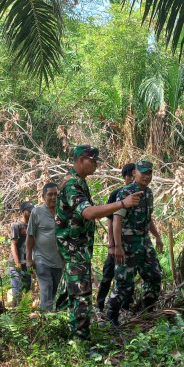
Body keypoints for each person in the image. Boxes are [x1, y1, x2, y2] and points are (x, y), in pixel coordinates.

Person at [56, 145, 142, 340]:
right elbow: (88, 212)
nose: (96, 165)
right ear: (80, 160)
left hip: (77, 249)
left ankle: (61, 335)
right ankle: (81, 342)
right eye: (92, 161)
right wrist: (122, 204)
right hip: (74, 249)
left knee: (68, 293)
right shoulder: (71, 184)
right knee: (81, 296)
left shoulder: (80, 182)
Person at [105, 160, 164, 327]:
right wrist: (116, 246)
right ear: (134, 174)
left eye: (149, 173)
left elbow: (148, 218)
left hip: (144, 241)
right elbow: (116, 220)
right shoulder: (126, 193)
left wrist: (157, 237)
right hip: (127, 243)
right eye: (143, 173)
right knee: (124, 282)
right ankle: (111, 318)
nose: (146, 176)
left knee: (154, 275)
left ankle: (148, 311)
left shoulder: (149, 193)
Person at [96, 163, 137, 311]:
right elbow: (111, 221)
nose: (132, 179)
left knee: (128, 278)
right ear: (125, 177)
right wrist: (112, 246)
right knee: (108, 274)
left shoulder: (140, 195)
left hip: (132, 246)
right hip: (117, 245)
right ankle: (100, 305)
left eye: (134, 176)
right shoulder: (117, 195)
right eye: (129, 176)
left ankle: (124, 307)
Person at [27, 182, 63, 311]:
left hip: (59, 261)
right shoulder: (37, 212)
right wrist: (29, 258)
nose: (53, 197)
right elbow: (30, 236)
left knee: (52, 293)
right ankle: (45, 322)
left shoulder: (63, 211)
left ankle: (47, 320)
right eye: (50, 194)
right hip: (41, 259)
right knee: (46, 290)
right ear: (43, 196)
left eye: (56, 194)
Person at [8, 201, 34, 307]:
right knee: (17, 290)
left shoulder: (33, 226)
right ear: (23, 212)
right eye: (29, 210)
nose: (31, 212)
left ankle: (24, 316)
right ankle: (16, 314)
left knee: (27, 290)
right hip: (16, 265)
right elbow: (13, 244)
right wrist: (17, 262)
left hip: (27, 264)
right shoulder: (17, 226)